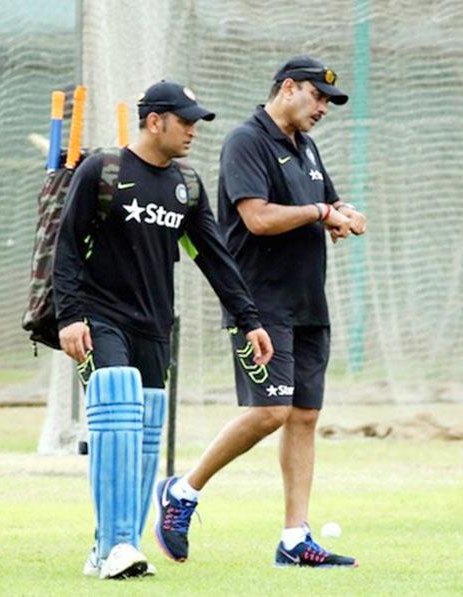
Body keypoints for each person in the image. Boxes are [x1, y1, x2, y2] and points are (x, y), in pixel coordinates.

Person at [52, 79, 273, 580]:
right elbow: (66, 247)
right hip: (99, 315)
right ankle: (118, 545)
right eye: (186, 121)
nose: (193, 130)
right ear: (156, 121)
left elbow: (215, 258)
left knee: (146, 432)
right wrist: (69, 316)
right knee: (117, 411)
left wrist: (249, 320)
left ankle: (107, 546)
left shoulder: (187, 186)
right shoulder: (102, 170)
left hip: (154, 324)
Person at [155, 56, 367, 568]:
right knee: (271, 410)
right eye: (317, 97)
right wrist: (320, 213)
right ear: (288, 88)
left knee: (304, 415)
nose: (323, 109)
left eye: (328, 102)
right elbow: (258, 219)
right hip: (260, 303)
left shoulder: (307, 147)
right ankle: (182, 491)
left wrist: (344, 215)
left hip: (307, 301)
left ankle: (295, 539)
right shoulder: (246, 141)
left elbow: (329, 204)